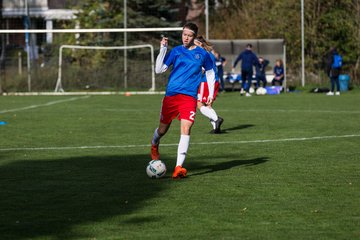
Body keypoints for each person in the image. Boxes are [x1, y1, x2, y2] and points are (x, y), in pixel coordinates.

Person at [151, 23, 216, 179]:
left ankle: (178, 167)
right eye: (184, 34)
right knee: (162, 130)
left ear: (194, 37)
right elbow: (159, 70)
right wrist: (163, 49)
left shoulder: (202, 54)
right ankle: (154, 144)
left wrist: (210, 93)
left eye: (189, 35)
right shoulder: (176, 51)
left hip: (189, 97)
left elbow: (210, 73)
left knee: (186, 128)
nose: (185, 37)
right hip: (171, 96)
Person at [194, 35, 224, 134]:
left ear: (200, 44)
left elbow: (202, 70)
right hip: (214, 81)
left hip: (206, 81)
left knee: (199, 104)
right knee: (208, 105)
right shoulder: (209, 53)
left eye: (195, 44)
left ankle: (216, 119)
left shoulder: (202, 54)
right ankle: (216, 128)